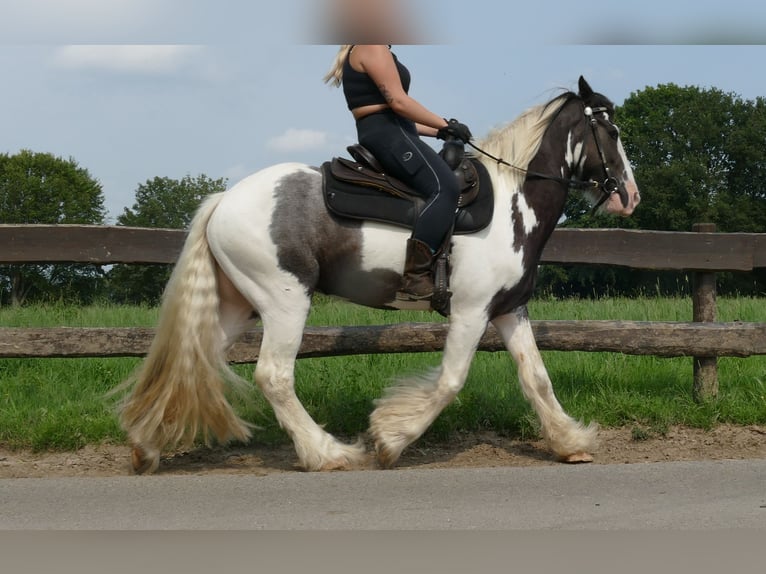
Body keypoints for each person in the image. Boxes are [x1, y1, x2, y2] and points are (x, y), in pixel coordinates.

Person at [324, 44, 472, 300]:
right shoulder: (372, 45)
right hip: (389, 134)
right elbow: (398, 102)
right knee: (445, 188)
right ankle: (415, 277)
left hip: (394, 130)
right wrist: (446, 123)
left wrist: (440, 131)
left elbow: (397, 112)